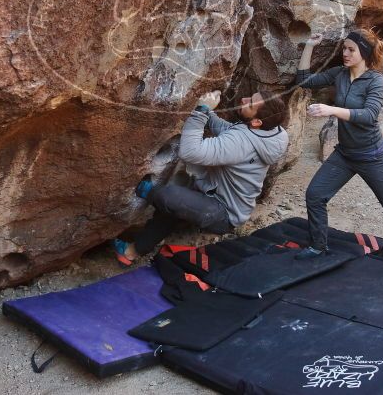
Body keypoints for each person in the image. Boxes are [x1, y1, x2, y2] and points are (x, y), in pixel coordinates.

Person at [293, 29, 383, 266]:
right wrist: (309, 46)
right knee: (315, 195)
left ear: (364, 53)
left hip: (373, 156)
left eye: (351, 50)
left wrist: (332, 110)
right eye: (344, 49)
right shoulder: (340, 74)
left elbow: (369, 115)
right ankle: (318, 247)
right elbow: (304, 80)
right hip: (345, 154)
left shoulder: (376, 80)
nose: (345, 54)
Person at [113, 89, 289, 264]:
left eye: (250, 103)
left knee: (169, 196)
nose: (243, 99)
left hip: (223, 212)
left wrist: (201, 112)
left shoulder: (242, 142)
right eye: (250, 96)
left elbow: (190, 152)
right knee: (170, 210)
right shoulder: (276, 133)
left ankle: (151, 194)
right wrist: (208, 112)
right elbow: (229, 131)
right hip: (218, 197)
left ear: (257, 121)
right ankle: (130, 253)